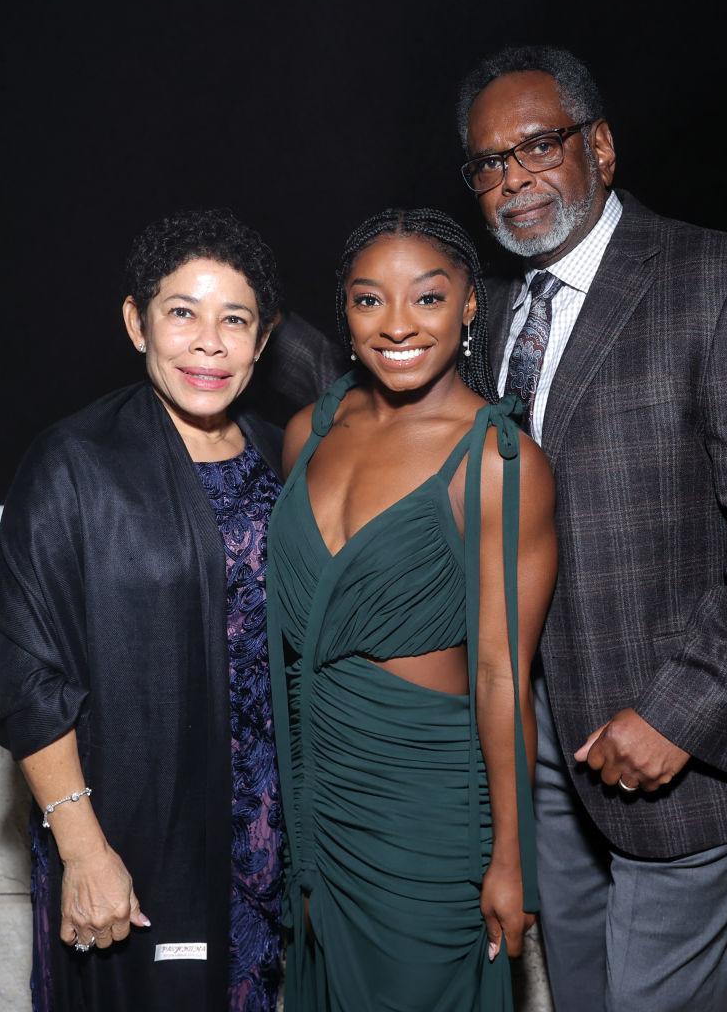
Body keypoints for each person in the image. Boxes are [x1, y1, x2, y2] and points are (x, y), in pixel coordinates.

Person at [455, 46, 727, 1011]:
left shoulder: (722, 280)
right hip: (538, 743)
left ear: (601, 146)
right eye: (489, 163)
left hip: (677, 743)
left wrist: (682, 711)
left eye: (538, 146)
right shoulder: (489, 310)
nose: (515, 179)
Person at [0, 209, 311, 1012]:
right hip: (134, 835)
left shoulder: (286, 454)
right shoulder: (74, 462)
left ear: (262, 339)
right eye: (181, 313)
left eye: (234, 319)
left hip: (272, 840)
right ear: (137, 322)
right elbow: (31, 679)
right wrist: (83, 849)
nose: (209, 342)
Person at [265, 207, 558, 1011]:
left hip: (427, 813)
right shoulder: (308, 433)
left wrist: (511, 858)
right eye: (369, 300)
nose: (396, 325)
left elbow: (503, 677)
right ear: (344, 310)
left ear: (470, 304)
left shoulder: (499, 463)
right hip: (319, 798)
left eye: (427, 298)